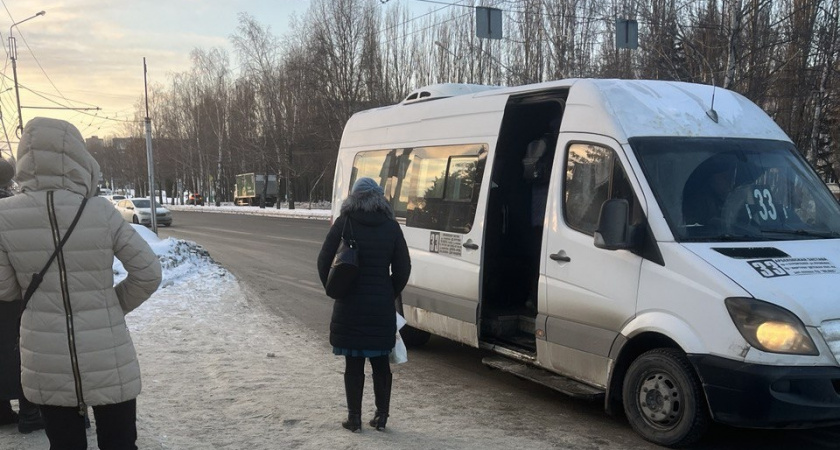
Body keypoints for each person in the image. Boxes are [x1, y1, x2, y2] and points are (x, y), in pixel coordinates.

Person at [0, 117, 162, 449]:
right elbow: (148, 272)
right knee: (119, 444)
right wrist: (110, 305)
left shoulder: (3, 217)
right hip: (108, 353)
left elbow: (5, 289)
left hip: (45, 356)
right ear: (77, 157)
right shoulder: (100, 212)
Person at [317, 177, 411, 432]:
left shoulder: (344, 223)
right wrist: (387, 290)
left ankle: (354, 418)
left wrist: (336, 288)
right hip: (380, 306)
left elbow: (324, 262)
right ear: (380, 199)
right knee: (381, 362)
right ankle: (381, 417)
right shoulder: (391, 227)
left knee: (353, 364)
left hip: (349, 304)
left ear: (353, 198)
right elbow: (403, 269)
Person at [0, 158, 46, 434]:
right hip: (12, 294)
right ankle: (30, 411)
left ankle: (2, 410)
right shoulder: (15, 208)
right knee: (20, 349)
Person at [682, 154, 738, 227]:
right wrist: (712, 224)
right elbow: (689, 227)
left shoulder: (736, 200)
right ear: (711, 179)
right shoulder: (696, 203)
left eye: (732, 178)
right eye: (725, 178)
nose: (731, 182)